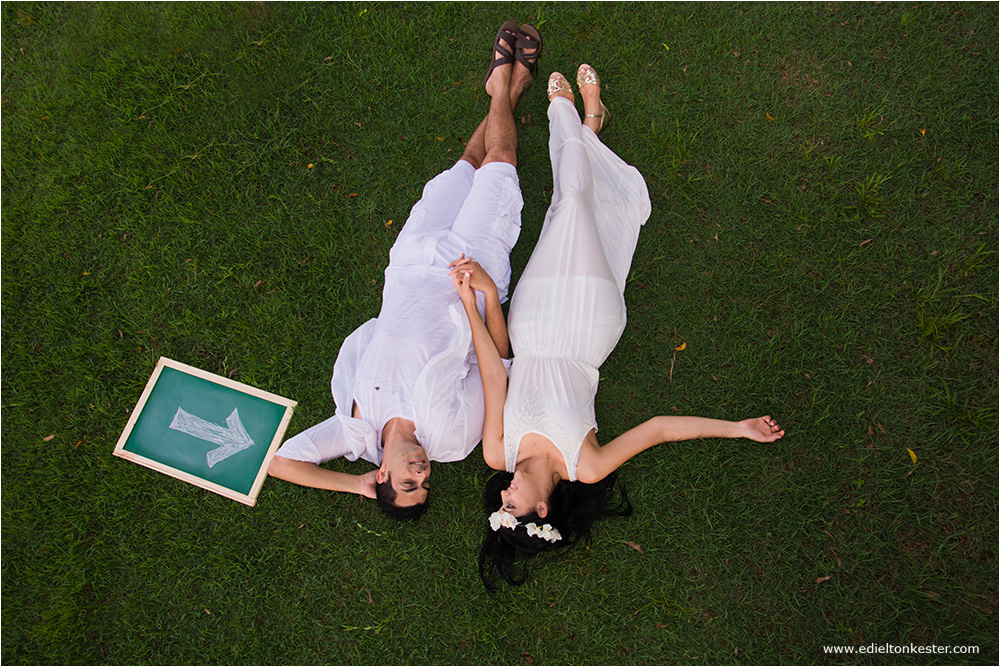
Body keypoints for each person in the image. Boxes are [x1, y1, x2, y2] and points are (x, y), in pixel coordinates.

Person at [451, 64, 785, 587]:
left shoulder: (499, 452)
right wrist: (737, 428)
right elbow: (658, 430)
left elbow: (496, 375)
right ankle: (567, 114)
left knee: (563, 213)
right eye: (511, 504)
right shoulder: (586, 465)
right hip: (589, 328)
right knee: (575, 206)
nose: (504, 493)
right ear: (542, 510)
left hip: (533, 323)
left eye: (501, 501)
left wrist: (471, 303)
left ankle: (589, 125)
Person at [268, 21, 542, 520]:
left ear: (381, 476)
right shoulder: (452, 439)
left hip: (410, 261)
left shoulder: (355, 431)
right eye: (425, 484)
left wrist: (354, 486)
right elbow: (498, 363)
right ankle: (504, 84)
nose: (421, 472)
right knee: (500, 160)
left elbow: (281, 462)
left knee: (468, 163)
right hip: (470, 271)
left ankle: (510, 88)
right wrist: (482, 292)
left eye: (408, 482)